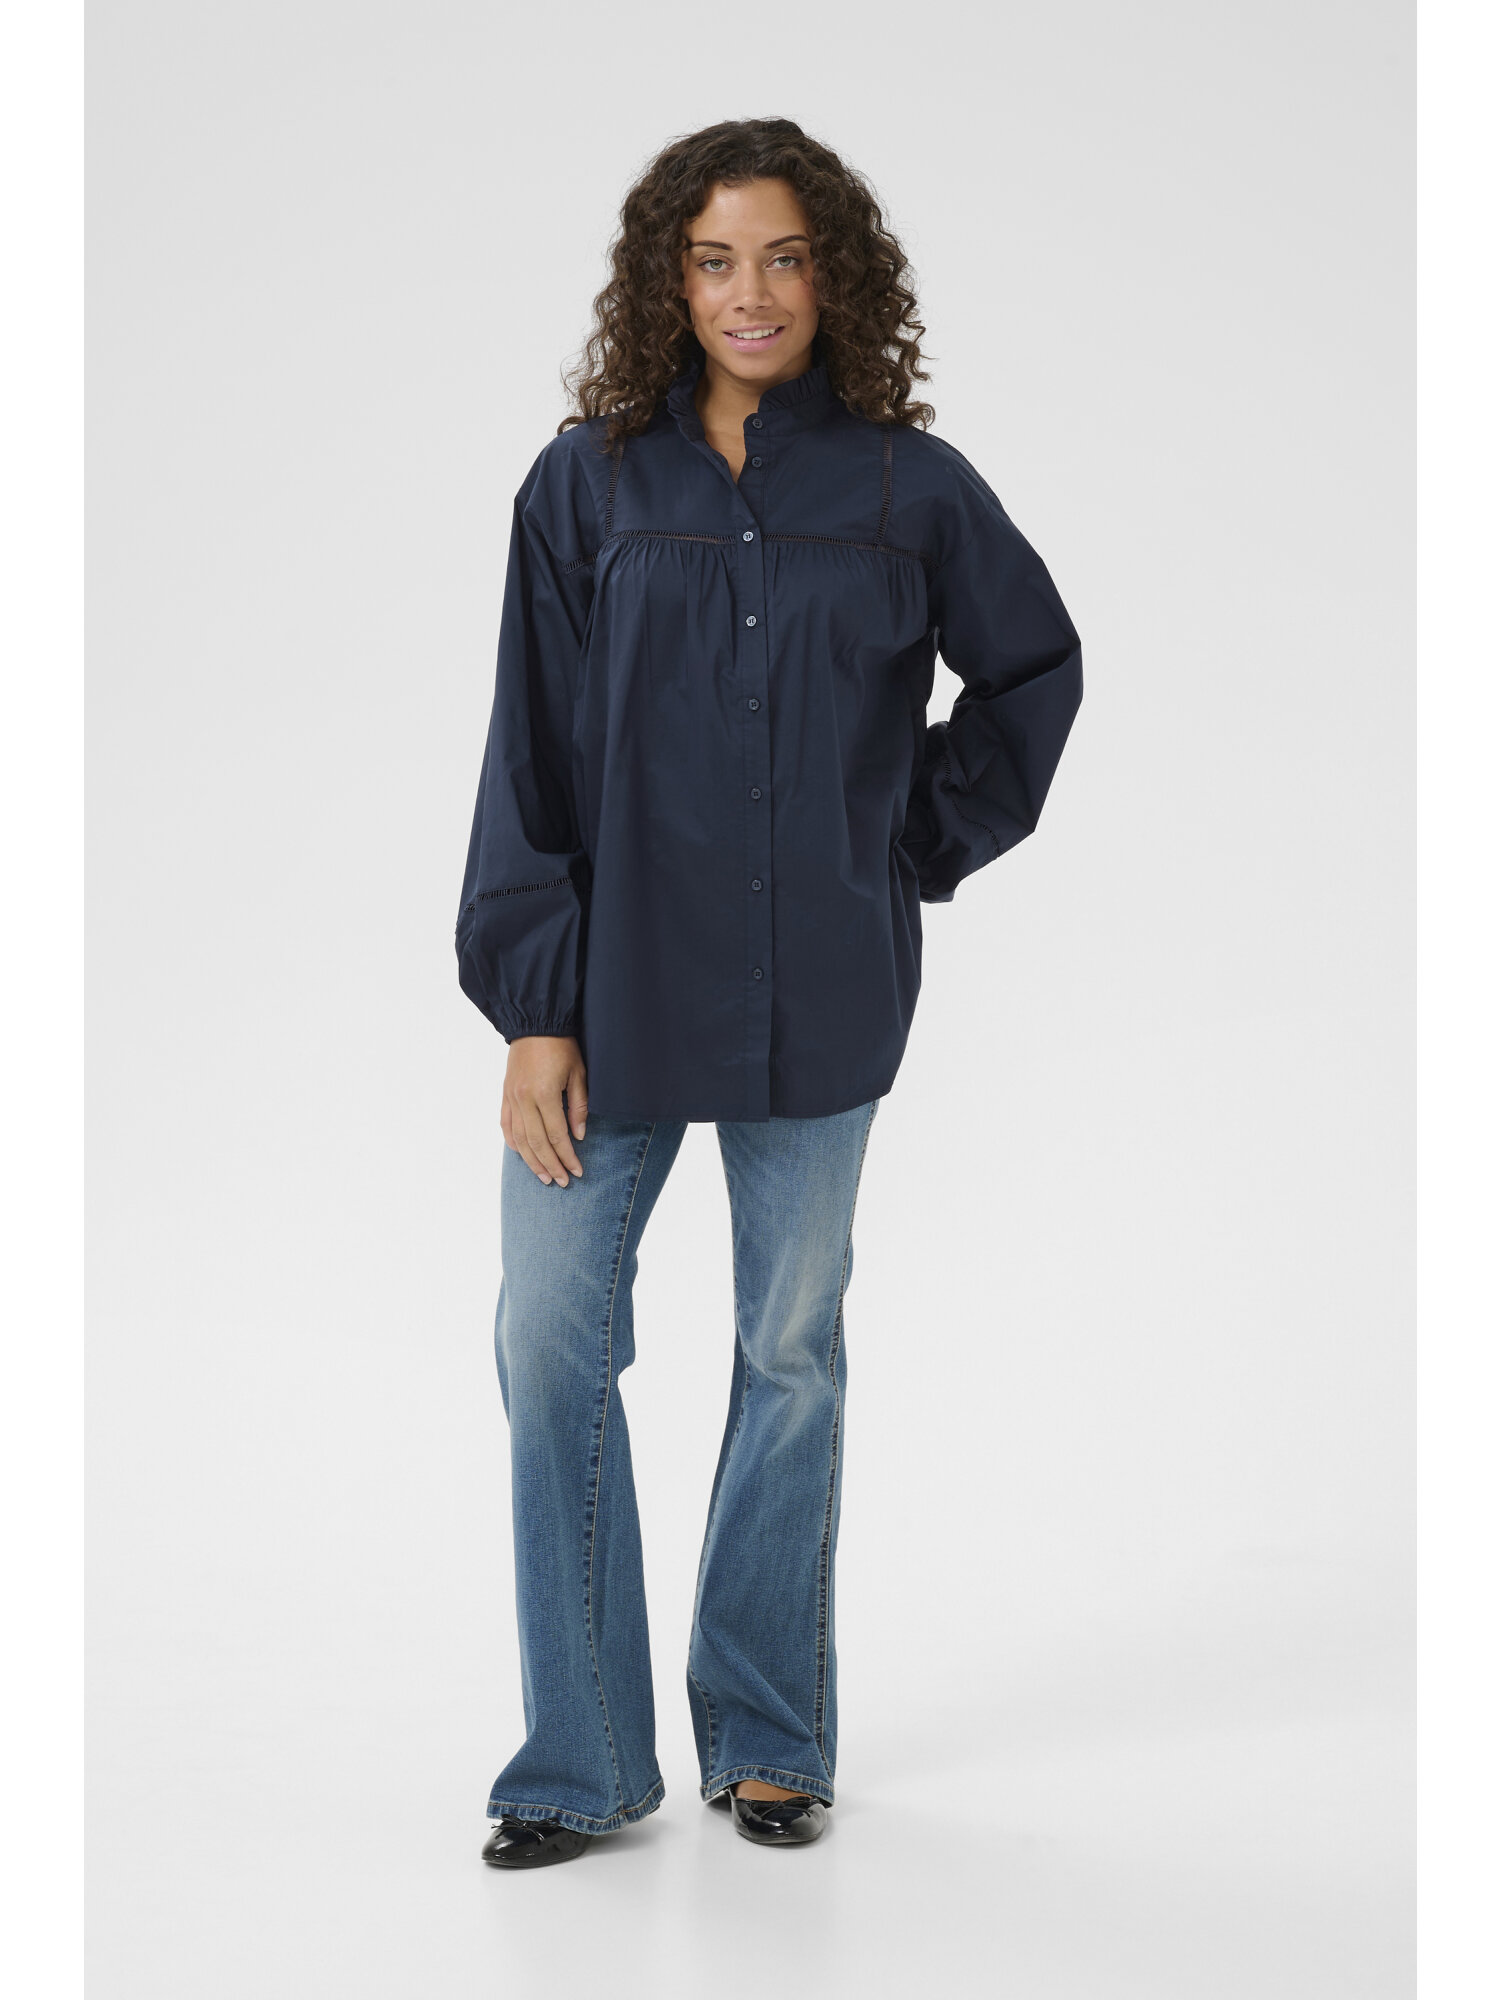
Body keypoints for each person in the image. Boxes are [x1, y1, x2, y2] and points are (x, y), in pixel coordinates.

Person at [456, 117, 1083, 1867]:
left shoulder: (908, 488)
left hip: (824, 992)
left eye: (787, 257)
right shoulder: (586, 486)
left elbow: (1033, 670)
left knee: (788, 1351)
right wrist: (532, 1009)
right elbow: (529, 755)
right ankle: (583, 1759)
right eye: (717, 258)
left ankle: (769, 1739)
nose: (753, 292)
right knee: (548, 1340)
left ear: (835, 278)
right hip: (612, 993)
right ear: (669, 278)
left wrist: (903, 846)